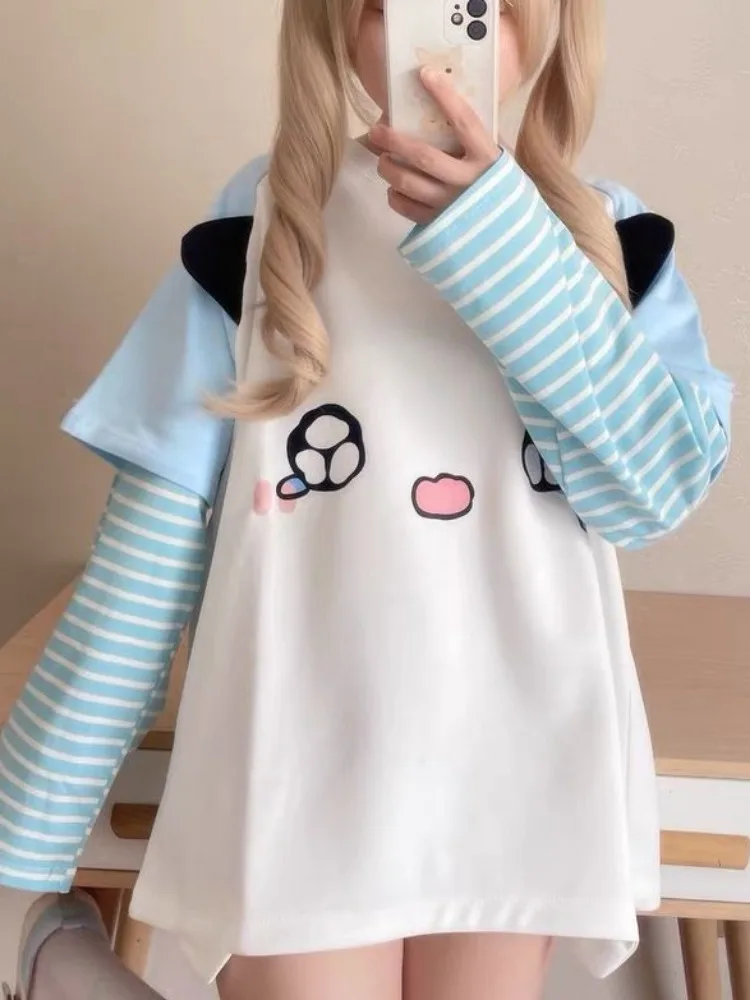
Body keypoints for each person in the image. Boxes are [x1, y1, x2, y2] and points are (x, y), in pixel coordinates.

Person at [1, 0, 733, 997]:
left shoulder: (604, 235)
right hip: (305, 759)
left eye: (475, 8)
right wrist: (28, 836)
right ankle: (54, 957)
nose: (433, 45)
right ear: (338, 26)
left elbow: (656, 487)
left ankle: (58, 966)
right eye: (391, 6)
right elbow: (147, 556)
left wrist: (497, 231)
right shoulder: (262, 230)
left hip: (523, 762)